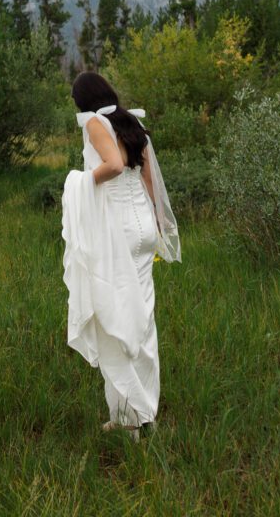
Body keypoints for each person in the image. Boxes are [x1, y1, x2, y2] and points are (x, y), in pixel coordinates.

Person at [62, 72, 181, 439]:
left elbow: (113, 165)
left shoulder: (97, 122)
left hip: (119, 232)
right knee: (141, 319)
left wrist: (78, 184)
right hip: (143, 227)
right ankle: (141, 410)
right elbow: (146, 176)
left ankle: (132, 416)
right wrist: (158, 223)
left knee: (112, 317)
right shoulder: (130, 121)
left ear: (82, 101)